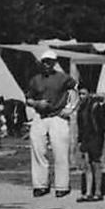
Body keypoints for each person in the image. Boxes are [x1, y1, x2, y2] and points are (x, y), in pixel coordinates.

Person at [24, 51, 77, 198]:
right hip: (40, 116)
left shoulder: (63, 78)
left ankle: (62, 185)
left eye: (51, 61)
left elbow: (77, 91)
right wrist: (36, 103)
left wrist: (70, 108)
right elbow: (28, 98)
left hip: (58, 116)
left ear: (55, 63)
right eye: (45, 61)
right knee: (38, 150)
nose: (48, 64)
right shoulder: (35, 80)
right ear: (41, 62)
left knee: (60, 151)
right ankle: (40, 185)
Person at [75, 83, 105, 203]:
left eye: (83, 94)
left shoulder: (96, 106)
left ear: (89, 94)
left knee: (96, 163)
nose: (81, 96)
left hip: (95, 138)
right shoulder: (80, 107)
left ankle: (98, 192)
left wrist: (98, 134)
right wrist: (79, 140)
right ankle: (88, 192)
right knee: (86, 165)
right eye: (79, 94)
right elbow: (80, 125)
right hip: (85, 138)